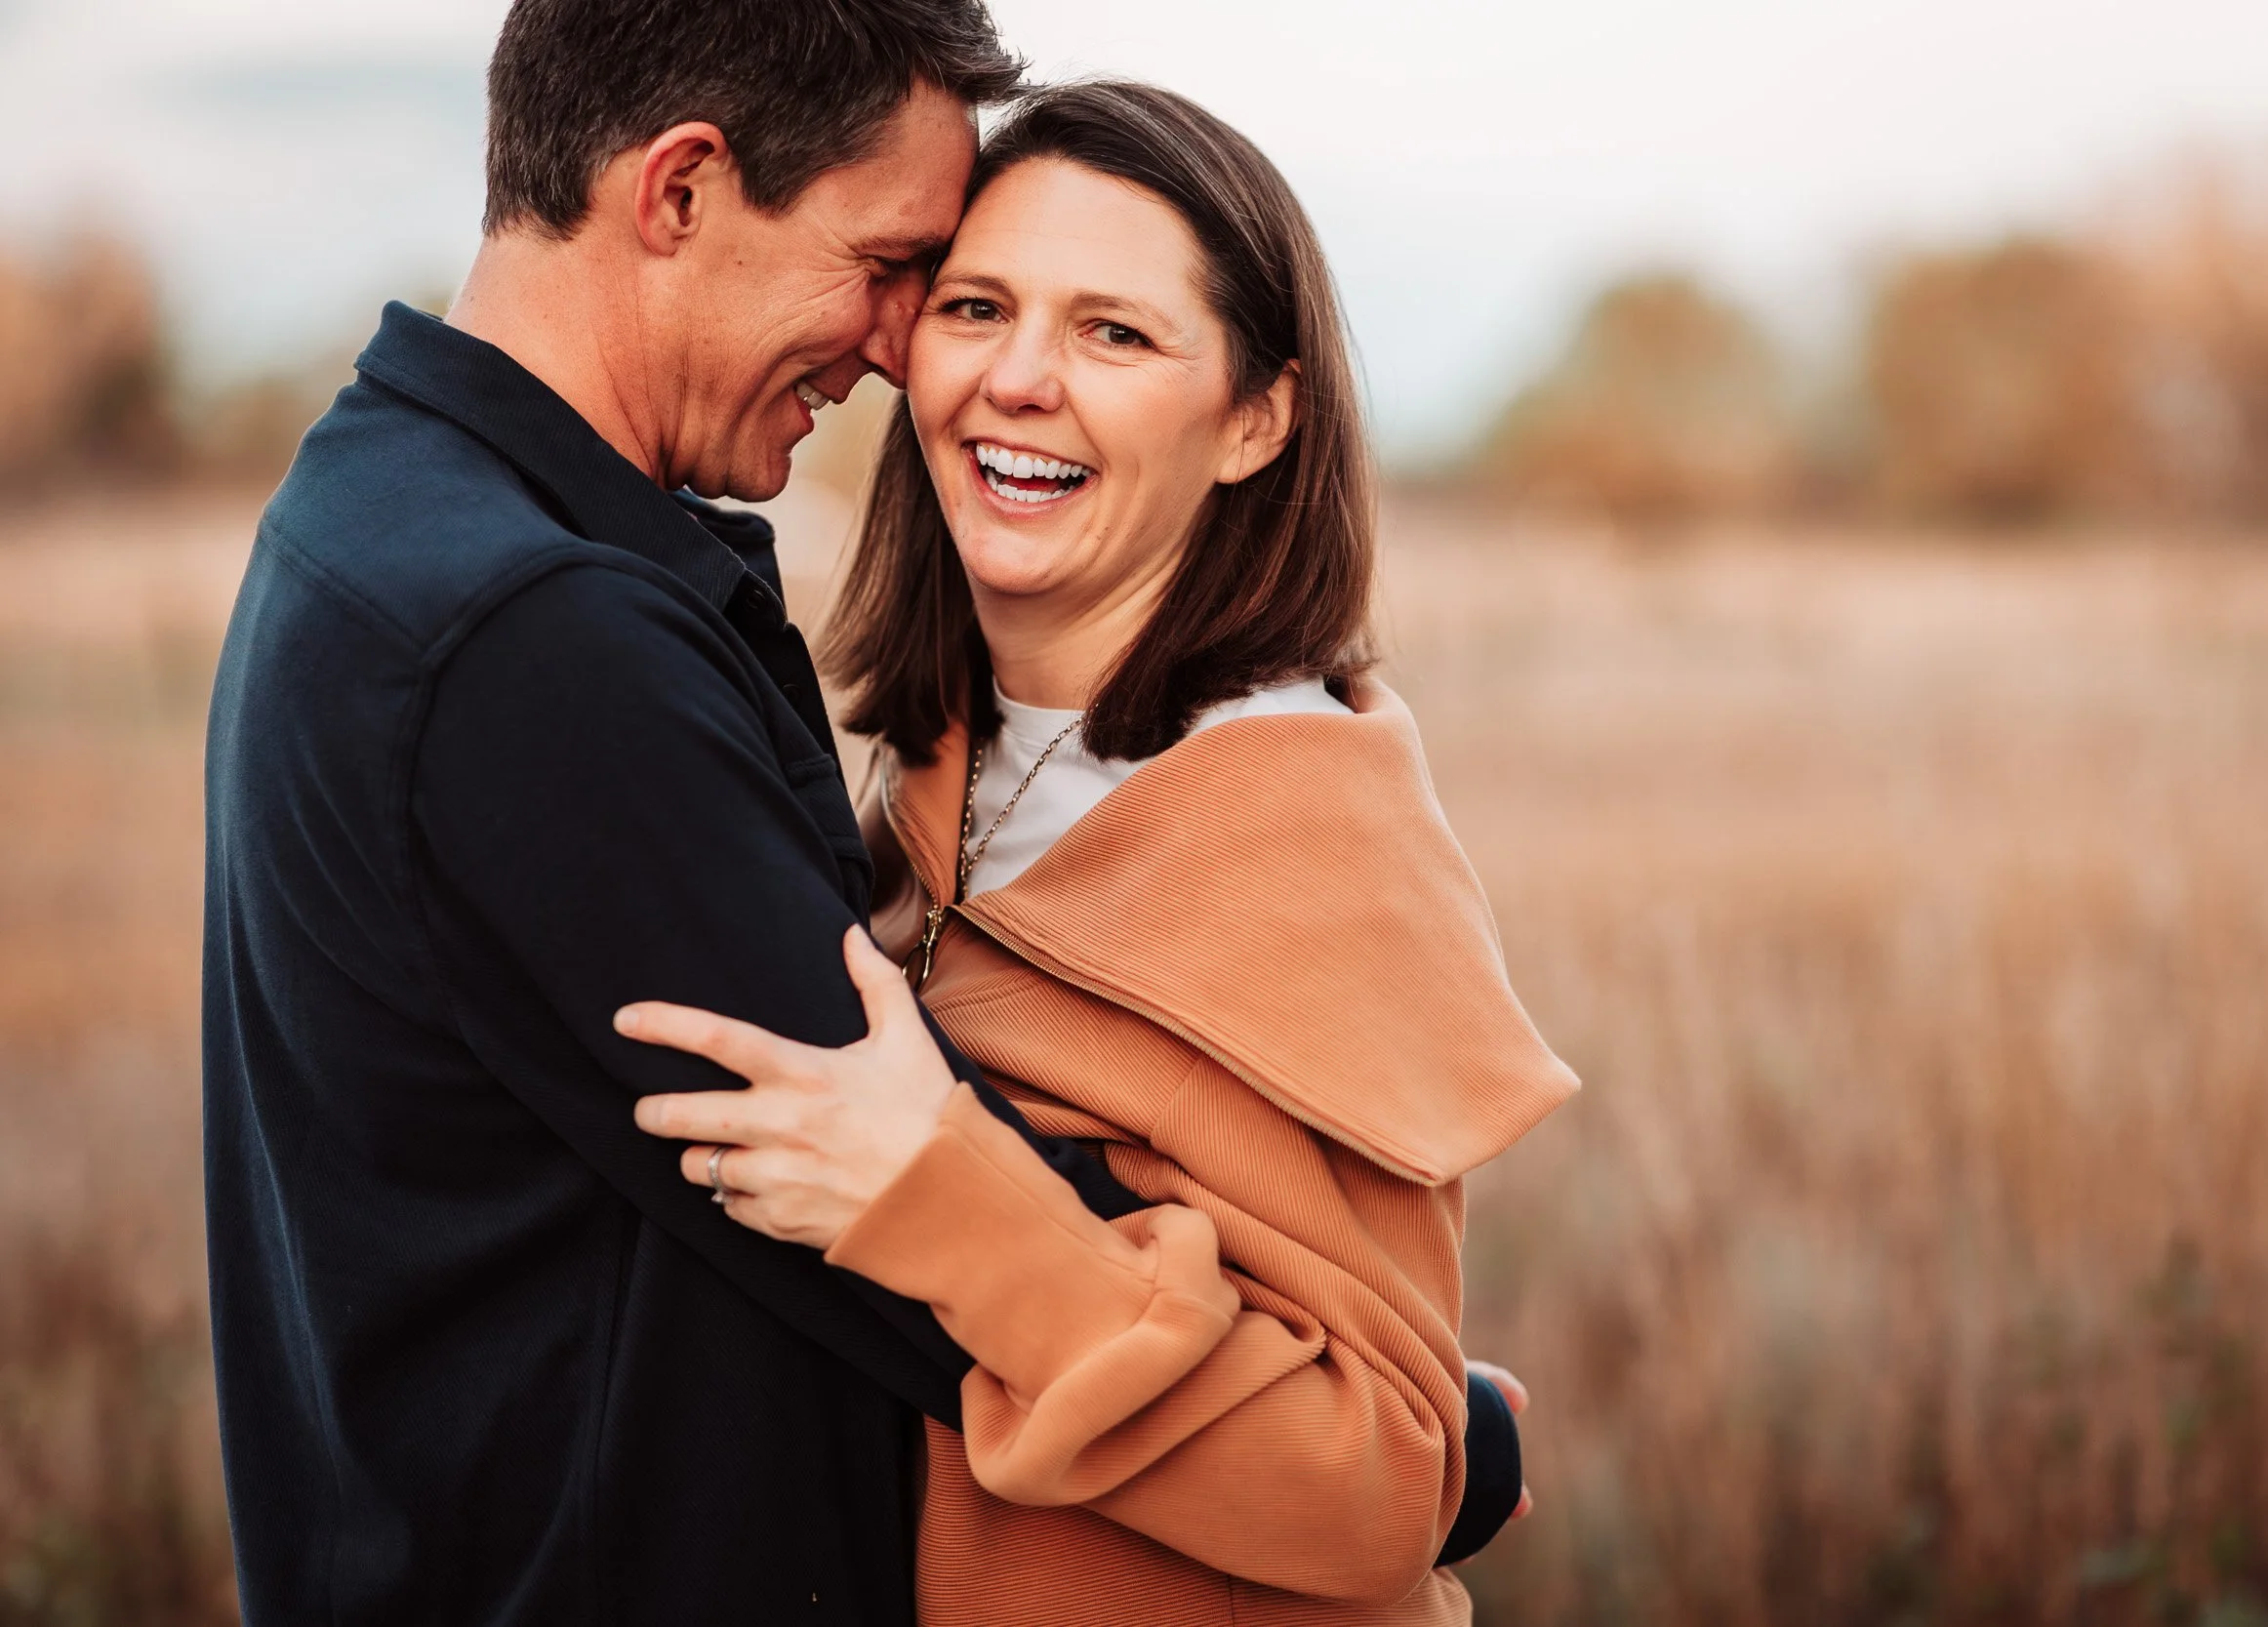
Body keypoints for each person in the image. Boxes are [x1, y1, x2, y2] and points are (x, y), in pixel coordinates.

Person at [202, 3, 1526, 1623]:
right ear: (680, 193)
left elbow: (948, 1210)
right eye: (922, 274)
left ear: (1259, 414)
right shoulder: (537, 635)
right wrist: (1461, 1443)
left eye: (1118, 331)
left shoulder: (371, 516)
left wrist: (1413, 1443)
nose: (912, 351)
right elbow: (870, 1229)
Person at [620, 81, 1578, 1624]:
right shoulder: (939, 768)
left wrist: (935, 1189)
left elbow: (1389, 1487)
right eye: (978, 306)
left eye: (1114, 334)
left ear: (1257, 419)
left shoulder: (1302, 837)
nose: (1017, 379)